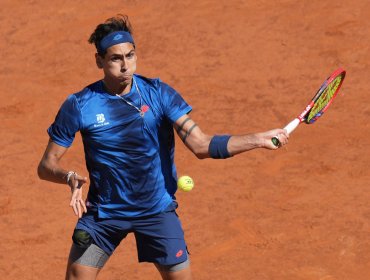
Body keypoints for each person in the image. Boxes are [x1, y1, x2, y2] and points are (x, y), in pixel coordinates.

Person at [37, 14, 288, 280]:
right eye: (115, 58)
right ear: (99, 60)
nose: (125, 66)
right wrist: (68, 177)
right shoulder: (80, 105)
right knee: (78, 276)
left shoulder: (159, 94)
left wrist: (258, 139)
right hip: (105, 217)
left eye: (130, 56)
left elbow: (201, 144)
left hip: (156, 213)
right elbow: (46, 166)